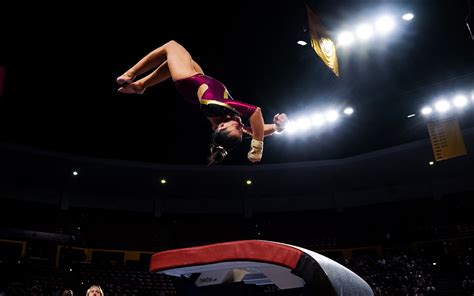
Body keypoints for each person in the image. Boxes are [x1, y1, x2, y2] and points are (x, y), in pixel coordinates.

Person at [116, 40, 288, 164]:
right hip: (200, 79)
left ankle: (131, 74)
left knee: (172, 46)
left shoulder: (215, 106)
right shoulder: (229, 120)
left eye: (236, 127)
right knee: (173, 61)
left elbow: (255, 112)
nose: (240, 125)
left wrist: (257, 148)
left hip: (188, 81)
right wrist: (279, 128)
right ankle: (140, 85)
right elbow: (259, 129)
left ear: (220, 127)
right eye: (241, 130)